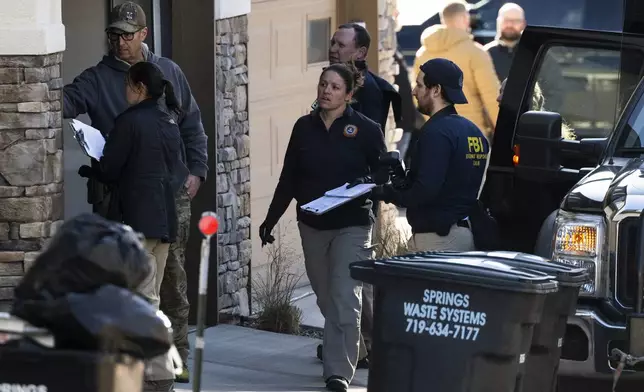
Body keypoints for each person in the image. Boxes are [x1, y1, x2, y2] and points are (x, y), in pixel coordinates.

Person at [62, 2, 206, 382]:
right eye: (113, 35)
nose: (119, 42)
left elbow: (192, 125)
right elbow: (62, 102)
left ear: (144, 34)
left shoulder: (169, 71)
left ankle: (176, 356)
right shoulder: (96, 78)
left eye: (127, 34)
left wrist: (197, 171)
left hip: (168, 191)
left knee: (171, 278)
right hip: (118, 196)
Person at [259, 63, 386, 392]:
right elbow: (289, 177)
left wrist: (369, 181)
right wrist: (270, 219)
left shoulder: (367, 129)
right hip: (313, 223)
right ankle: (352, 344)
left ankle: (338, 373)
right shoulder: (304, 128)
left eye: (334, 87)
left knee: (346, 297)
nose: (326, 91)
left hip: (353, 224)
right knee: (327, 297)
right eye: (323, 84)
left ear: (348, 94)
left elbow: (383, 175)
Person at [78, 61, 189, 392]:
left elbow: (110, 168)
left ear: (139, 87)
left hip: (137, 224)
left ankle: (155, 375)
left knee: (141, 303)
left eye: (127, 85)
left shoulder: (128, 122)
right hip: (164, 222)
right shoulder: (168, 122)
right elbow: (178, 173)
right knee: (150, 298)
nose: (123, 91)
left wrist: (95, 167)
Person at [375, 58, 489, 252]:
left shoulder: (436, 132)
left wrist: (383, 192)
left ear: (436, 90)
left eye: (419, 85)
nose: (413, 91)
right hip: (465, 236)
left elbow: (424, 191)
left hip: (438, 240)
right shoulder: (474, 132)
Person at [413, 0, 500, 139]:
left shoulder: (423, 54)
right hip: (471, 134)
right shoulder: (475, 52)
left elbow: (419, 95)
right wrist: (505, 132)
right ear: (465, 18)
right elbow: (491, 97)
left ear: (443, 19)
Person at [484, 3, 564, 110]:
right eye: (506, 20)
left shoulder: (538, 53)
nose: (510, 25)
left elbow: (555, 93)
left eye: (515, 21)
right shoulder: (485, 54)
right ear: (498, 22)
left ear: (523, 24)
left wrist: (535, 117)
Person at [327, 22, 402, 134]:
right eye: (333, 43)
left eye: (341, 45)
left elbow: (367, 139)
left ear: (360, 53)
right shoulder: (336, 80)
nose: (333, 49)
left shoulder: (366, 88)